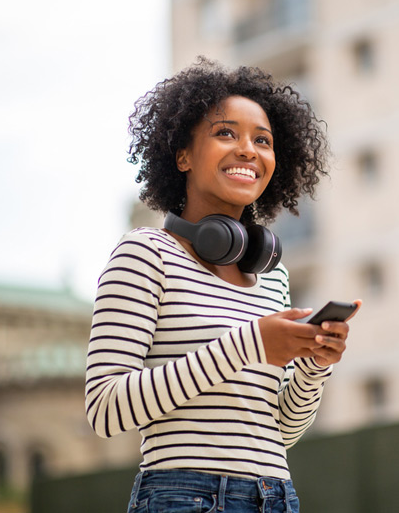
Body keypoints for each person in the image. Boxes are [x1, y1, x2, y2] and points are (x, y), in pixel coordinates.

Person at [85, 58, 361, 513]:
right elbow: (106, 410)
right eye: (226, 133)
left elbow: (281, 430)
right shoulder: (145, 254)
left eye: (263, 140)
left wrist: (314, 365)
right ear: (183, 155)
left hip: (274, 496)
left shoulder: (273, 277)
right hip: (183, 496)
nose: (248, 150)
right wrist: (250, 344)